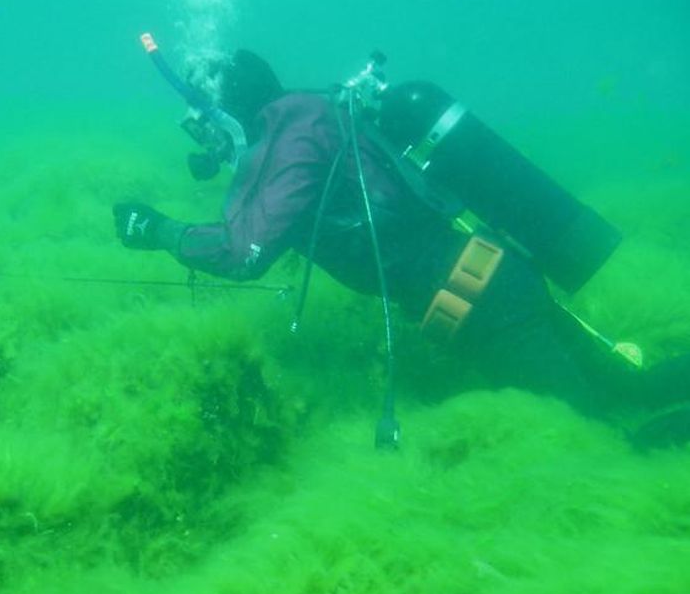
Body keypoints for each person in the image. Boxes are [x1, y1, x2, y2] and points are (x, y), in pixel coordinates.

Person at [112, 48, 689, 450]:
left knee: (592, 436)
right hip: (495, 278)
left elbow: (243, 253)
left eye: (206, 120)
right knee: (630, 387)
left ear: (225, 107)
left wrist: (157, 230)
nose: (206, 138)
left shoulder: (288, 142)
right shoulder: (316, 113)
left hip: (482, 304)